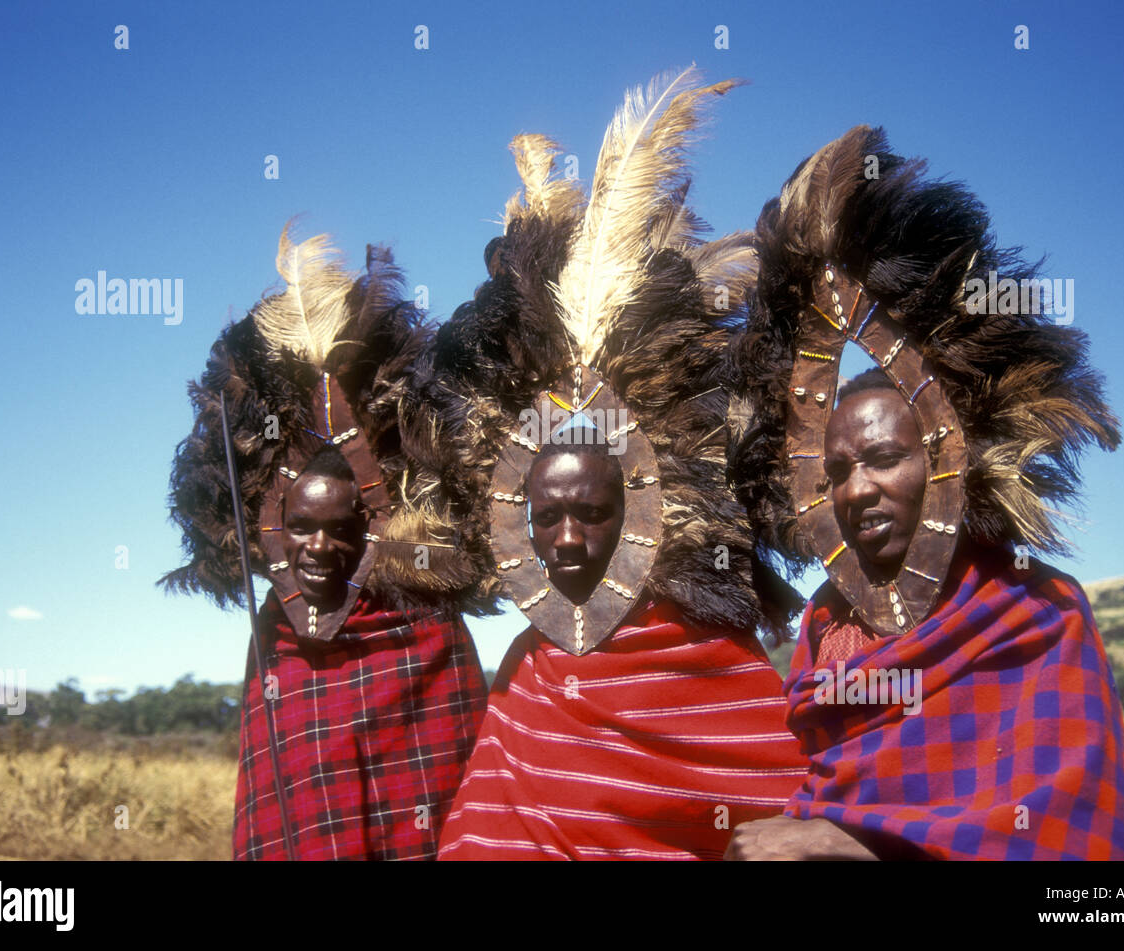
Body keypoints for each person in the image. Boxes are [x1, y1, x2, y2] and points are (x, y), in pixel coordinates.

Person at [724, 126, 1124, 860]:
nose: (857, 489)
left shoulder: (1034, 614)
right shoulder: (826, 626)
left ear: (943, 462)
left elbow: (1084, 868)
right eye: (835, 472)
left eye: (885, 457)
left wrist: (854, 849)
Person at [418, 67, 809, 860]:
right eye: (545, 515)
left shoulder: (714, 667)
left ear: (634, 509)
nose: (563, 537)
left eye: (589, 512)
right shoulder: (527, 674)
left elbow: (775, 818)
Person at [161, 225, 489, 860]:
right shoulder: (275, 645)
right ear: (272, 528)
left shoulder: (426, 637)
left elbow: (461, 790)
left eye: (339, 530)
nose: (316, 547)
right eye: (299, 528)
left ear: (367, 528)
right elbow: (279, 804)